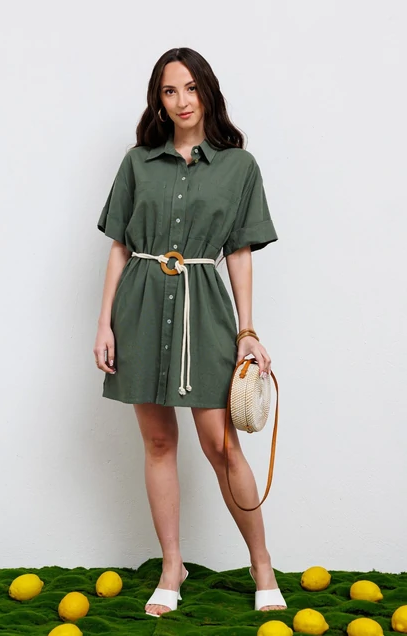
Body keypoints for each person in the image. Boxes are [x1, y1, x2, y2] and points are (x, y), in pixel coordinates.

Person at [93, 47, 286, 617]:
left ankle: (262, 565)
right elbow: (120, 246)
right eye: (169, 91)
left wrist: (247, 330)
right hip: (141, 305)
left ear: (208, 91)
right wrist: (104, 323)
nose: (182, 101)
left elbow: (240, 253)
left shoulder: (239, 166)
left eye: (191, 88)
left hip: (204, 308)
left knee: (222, 445)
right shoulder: (138, 162)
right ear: (158, 99)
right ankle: (171, 566)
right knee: (158, 443)